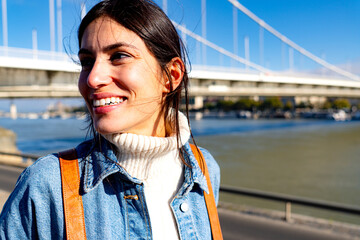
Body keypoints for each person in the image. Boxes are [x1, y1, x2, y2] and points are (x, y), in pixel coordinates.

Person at [0, 0, 221, 239]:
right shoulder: (45, 185)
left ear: (171, 76)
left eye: (119, 56)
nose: (93, 78)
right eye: (86, 61)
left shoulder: (204, 169)